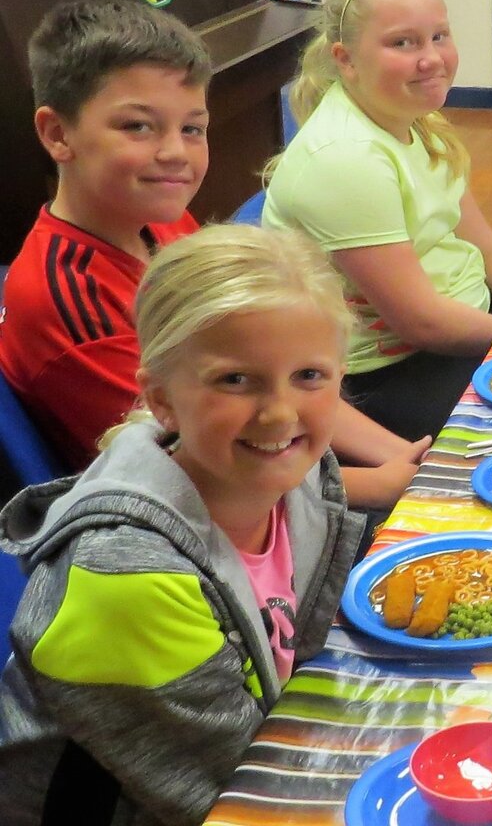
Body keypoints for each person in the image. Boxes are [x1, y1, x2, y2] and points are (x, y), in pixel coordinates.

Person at [0, 224, 367, 826]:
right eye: (234, 379)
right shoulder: (126, 577)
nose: (280, 413)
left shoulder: (294, 476)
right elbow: (239, 800)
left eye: (309, 376)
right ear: (162, 399)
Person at [0, 0, 425, 508]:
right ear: (57, 134)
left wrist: (404, 458)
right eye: (137, 126)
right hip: (195, 524)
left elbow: (277, 373)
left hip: (269, 468)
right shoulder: (72, 300)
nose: (175, 152)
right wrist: (383, 486)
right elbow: (190, 466)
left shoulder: (161, 221)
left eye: (191, 128)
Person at [264, 0, 492, 441]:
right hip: (389, 377)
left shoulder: (417, 120)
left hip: (465, 326)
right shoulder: (346, 157)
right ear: (345, 58)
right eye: (402, 43)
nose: (431, 58)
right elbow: (422, 323)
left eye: (439, 36)